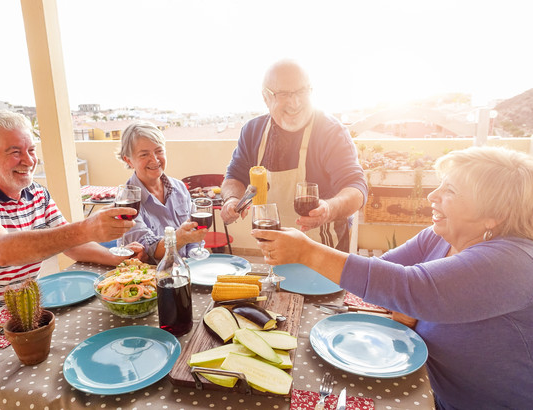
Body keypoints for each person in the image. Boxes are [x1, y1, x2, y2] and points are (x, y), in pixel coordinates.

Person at [252, 146, 533, 409]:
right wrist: (404, 300)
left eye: (450, 190)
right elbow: (381, 276)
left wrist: (307, 252)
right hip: (425, 387)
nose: (432, 195)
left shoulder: (514, 261)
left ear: (493, 215)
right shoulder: (438, 237)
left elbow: (407, 287)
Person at [0, 110, 145, 350]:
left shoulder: (37, 194)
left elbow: (71, 243)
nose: (28, 161)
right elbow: (1, 251)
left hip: (17, 322)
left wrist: (117, 260)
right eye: (15, 152)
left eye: (31, 150)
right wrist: (87, 228)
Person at [220, 59, 367, 251]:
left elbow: (356, 187)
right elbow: (234, 177)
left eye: (301, 92)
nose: (295, 102)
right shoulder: (252, 131)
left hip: (323, 248)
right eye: (284, 94)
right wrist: (232, 199)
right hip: (270, 244)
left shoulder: (330, 131)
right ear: (266, 97)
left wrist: (329, 209)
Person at [118, 121, 207, 264]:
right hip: (150, 279)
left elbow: (195, 240)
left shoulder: (180, 188)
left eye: (159, 151)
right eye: (144, 154)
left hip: (186, 271)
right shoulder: (126, 202)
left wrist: (193, 260)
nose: (154, 159)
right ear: (129, 160)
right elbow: (149, 251)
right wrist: (180, 238)